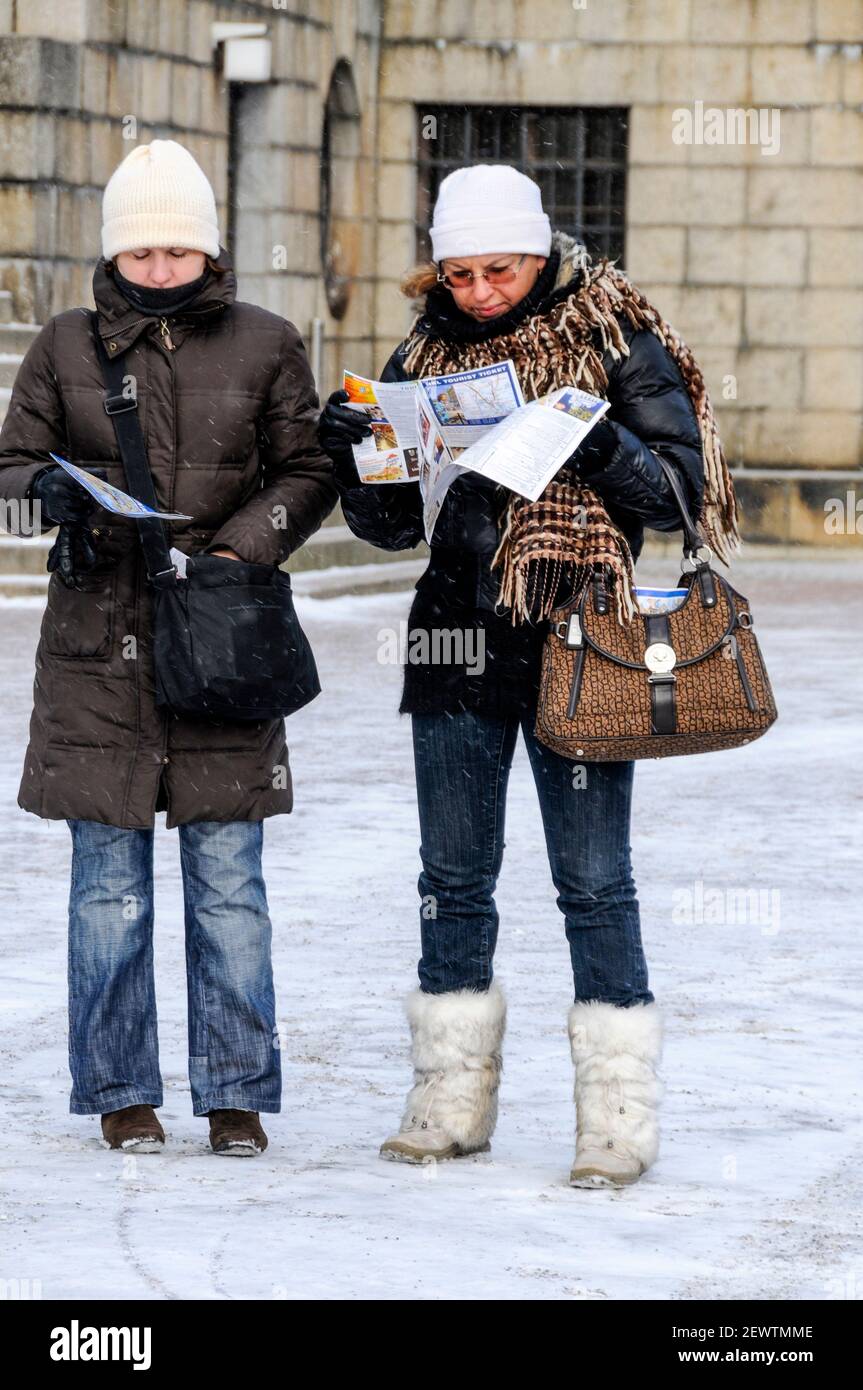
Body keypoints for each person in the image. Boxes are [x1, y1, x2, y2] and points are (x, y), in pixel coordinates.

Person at [317, 164, 739, 1187]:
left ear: (538, 250)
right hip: (453, 639)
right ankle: (448, 1101)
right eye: (456, 273)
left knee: (592, 882)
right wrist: (353, 457)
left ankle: (615, 1121)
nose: (478, 292)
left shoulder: (610, 334)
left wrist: (590, 440)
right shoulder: (423, 349)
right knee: (449, 879)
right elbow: (384, 526)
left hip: (579, 633)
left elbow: (678, 491)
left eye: (497, 269)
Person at [0, 140, 338, 1156]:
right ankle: (119, 1090)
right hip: (97, 648)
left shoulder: (268, 341)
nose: (157, 269)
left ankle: (236, 1091)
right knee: (107, 884)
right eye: (140, 252)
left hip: (224, 637)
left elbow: (310, 466)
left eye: (176, 252)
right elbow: (8, 466)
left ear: (209, 250)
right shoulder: (62, 347)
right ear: (113, 252)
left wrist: (244, 545)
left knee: (230, 878)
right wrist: (46, 493)